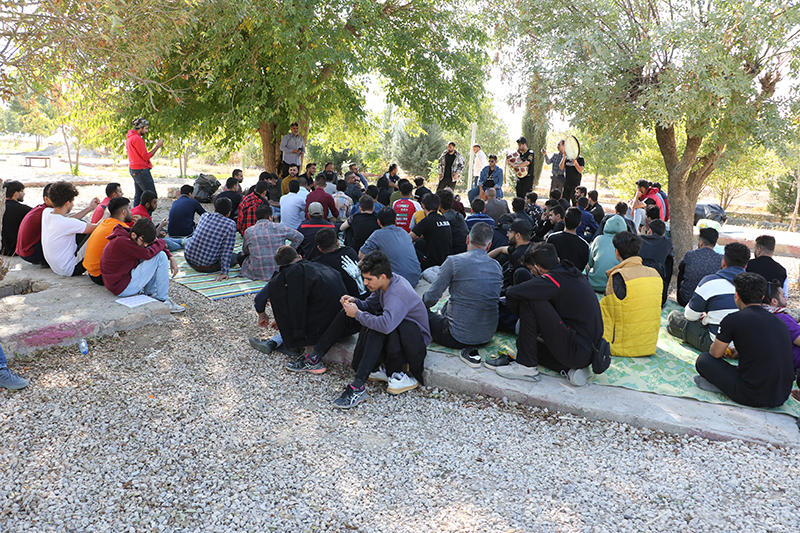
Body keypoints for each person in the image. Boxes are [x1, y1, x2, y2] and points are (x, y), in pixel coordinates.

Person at [290, 251, 431, 409]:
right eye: (364, 278)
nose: (365, 283)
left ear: (382, 276)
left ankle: (357, 387)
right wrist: (355, 302)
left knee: (376, 326)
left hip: (411, 343)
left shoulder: (396, 293)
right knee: (349, 313)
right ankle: (314, 358)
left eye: (368, 279)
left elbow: (385, 325)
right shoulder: (385, 283)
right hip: (395, 333)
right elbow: (370, 305)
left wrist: (357, 313)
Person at [501, 243, 602, 386]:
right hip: (589, 350)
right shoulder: (572, 273)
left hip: (576, 348)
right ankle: (568, 369)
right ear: (557, 260)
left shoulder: (554, 280)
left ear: (538, 268)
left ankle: (526, 367)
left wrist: (522, 317)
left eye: (531, 271)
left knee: (529, 301)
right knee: (525, 344)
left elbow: (512, 293)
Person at [694, 273, 793, 408]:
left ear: (737, 296)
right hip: (781, 396)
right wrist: (739, 351)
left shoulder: (733, 319)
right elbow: (765, 348)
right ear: (762, 297)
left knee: (704, 360)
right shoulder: (779, 321)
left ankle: (723, 387)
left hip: (751, 394)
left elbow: (715, 354)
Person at [423, 222, 502, 365]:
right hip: (487, 335)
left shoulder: (454, 261)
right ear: (489, 246)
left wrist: (421, 306)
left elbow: (431, 297)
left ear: (467, 239)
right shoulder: (496, 266)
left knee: (421, 311)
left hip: (456, 337)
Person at [250, 245, 347, 357]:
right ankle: (274, 342)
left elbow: (259, 299)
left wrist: (263, 317)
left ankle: (292, 346)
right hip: (343, 322)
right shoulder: (320, 266)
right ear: (300, 257)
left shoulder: (285, 276)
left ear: (280, 266)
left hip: (321, 328)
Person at [667, 242, 750, 353]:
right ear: (745, 266)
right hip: (744, 345)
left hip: (716, 344)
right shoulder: (755, 285)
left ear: (724, 262)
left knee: (674, 317)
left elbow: (690, 316)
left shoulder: (710, 281)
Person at [100, 218, 184, 313]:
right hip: (121, 287)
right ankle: (163, 300)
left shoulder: (131, 236)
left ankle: (150, 292)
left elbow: (151, 245)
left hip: (119, 282)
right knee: (160, 256)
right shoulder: (122, 242)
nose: (145, 245)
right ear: (133, 235)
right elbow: (147, 254)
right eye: (143, 241)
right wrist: (162, 242)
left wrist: (171, 256)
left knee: (154, 252)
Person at [600, 231, 663, 357]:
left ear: (617, 252)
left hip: (621, 346)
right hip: (649, 344)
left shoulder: (618, 276)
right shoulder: (655, 273)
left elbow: (607, 311)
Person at [41, 181, 100, 277]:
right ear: (68, 203)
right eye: (73, 201)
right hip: (72, 269)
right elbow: (97, 228)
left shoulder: (46, 212)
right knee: (98, 233)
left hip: (56, 267)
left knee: (82, 227)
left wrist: (90, 208)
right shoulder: (66, 223)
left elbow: (68, 220)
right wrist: (107, 215)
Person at [359, 207, 421, 287]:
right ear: (396, 220)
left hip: (397, 282)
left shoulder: (377, 235)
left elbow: (361, 255)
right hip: (415, 277)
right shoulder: (404, 233)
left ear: (378, 222)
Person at [240, 205, 303, 281]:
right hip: (279, 269)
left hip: (256, 272)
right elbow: (299, 237)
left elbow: (245, 251)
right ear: (270, 217)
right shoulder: (280, 227)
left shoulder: (249, 231)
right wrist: (288, 251)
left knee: (240, 256)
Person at [184, 197, 239, 281]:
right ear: (229, 213)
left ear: (214, 209)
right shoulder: (230, 225)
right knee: (235, 257)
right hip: (205, 266)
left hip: (188, 258)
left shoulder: (204, 216)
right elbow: (226, 251)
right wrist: (224, 272)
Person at [84, 197, 134, 285]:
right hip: (101, 276)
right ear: (124, 212)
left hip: (91, 272)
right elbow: (138, 246)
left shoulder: (105, 222)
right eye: (129, 209)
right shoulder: (120, 228)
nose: (131, 212)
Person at [312, 227, 367, 298]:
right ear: (337, 242)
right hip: (364, 297)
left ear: (319, 248)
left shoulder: (317, 263)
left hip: (342, 301)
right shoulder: (350, 251)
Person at [676, 227, 723, 307]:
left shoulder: (689, 255)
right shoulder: (721, 259)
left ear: (701, 242)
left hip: (686, 300)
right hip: (710, 303)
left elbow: (681, 269)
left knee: (682, 271)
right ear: (715, 243)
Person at [762, 281, 800, 375]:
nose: (786, 299)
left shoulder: (758, 316)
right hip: (793, 367)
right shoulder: (782, 318)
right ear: (774, 301)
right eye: (783, 296)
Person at [126, 117, 163, 208]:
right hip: (141, 170)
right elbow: (146, 156)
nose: (147, 131)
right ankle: (146, 218)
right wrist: (157, 146)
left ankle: (136, 217)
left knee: (139, 195)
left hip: (134, 169)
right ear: (140, 128)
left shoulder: (130, 138)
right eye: (145, 128)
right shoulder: (137, 139)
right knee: (151, 196)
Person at [409, 193, 453, 270]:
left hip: (433, 263)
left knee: (411, 249)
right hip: (446, 261)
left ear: (422, 205)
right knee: (420, 242)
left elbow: (407, 239)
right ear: (439, 207)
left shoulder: (427, 221)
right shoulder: (444, 219)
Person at [489, 218, 533, 289]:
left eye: (510, 232)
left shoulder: (517, 255)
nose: (507, 235)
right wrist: (484, 258)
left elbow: (515, 284)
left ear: (518, 235)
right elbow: (501, 249)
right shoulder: (531, 246)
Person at [639, 219, 674, 306]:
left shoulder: (639, 239)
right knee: (669, 260)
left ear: (650, 230)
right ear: (663, 234)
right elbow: (672, 254)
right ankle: (664, 291)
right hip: (657, 292)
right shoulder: (667, 242)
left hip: (637, 285)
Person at [586, 214, 627, 292]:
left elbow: (590, 262)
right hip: (615, 286)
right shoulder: (625, 243)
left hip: (594, 284)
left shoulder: (598, 239)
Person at [546, 207, 589, 272]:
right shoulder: (584, 245)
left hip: (553, 276)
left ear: (564, 220)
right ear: (579, 224)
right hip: (573, 278)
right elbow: (582, 267)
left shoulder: (552, 238)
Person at [1, 180, 31, 256]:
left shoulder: (2, 208)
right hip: (16, 250)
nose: (24, 193)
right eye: (22, 191)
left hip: (1, 249)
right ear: (15, 194)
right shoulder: (24, 210)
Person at [438, 189, 469, 254]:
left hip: (452, 251)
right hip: (465, 249)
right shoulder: (459, 215)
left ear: (439, 205)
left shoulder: (443, 220)